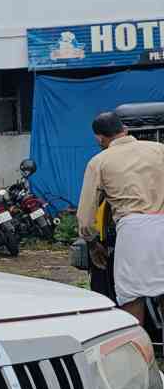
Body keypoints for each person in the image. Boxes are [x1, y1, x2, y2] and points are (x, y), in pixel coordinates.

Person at [77, 110, 164, 324]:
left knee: (131, 296)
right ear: (125, 130)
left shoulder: (99, 161)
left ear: (99, 137)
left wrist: (92, 241)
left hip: (133, 230)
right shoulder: (159, 150)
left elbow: (86, 213)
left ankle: (137, 354)